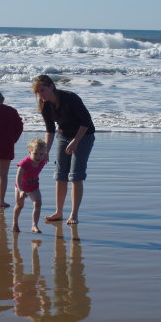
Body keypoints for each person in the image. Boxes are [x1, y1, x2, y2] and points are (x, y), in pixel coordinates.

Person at [31, 75, 95, 225]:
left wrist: (75, 141)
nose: (41, 94)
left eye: (43, 90)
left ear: (51, 87)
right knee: (60, 175)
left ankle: (74, 214)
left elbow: (86, 121)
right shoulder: (45, 105)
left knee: (75, 175)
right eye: (38, 92)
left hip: (84, 135)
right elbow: (50, 130)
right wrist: (46, 150)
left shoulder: (70, 98)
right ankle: (59, 212)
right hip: (63, 135)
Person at [13, 138, 47, 233]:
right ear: (29, 152)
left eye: (41, 154)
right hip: (21, 186)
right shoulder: (24, 163)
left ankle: (34, 225)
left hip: (33, 186)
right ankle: (15, 223)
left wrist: (45, 156)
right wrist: (21, 190)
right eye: (35, 153)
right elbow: (18, 178)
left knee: (38, 203)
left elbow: (45, 157)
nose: (38, 157)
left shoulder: (42, 160)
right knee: (19, 205)